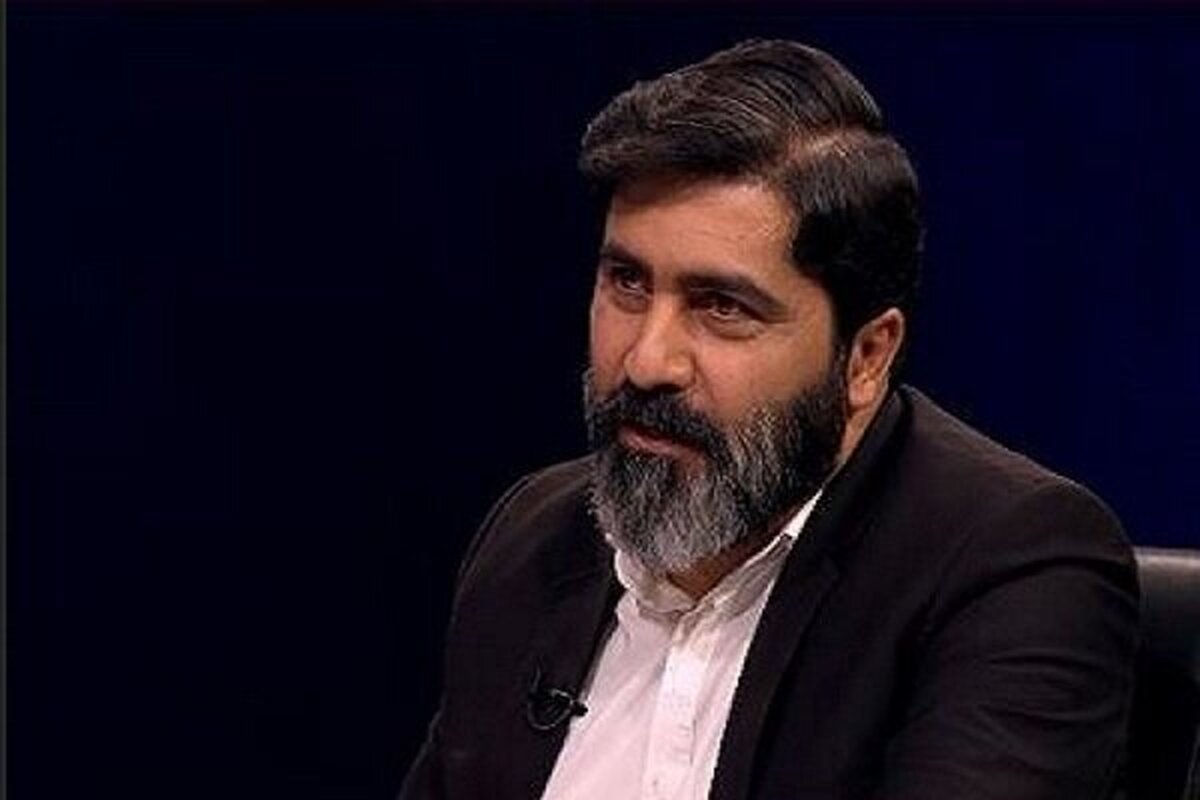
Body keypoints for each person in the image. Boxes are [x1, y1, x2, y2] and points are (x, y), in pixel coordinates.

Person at [399, 39, 1138, 800]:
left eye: (721, 306)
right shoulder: (532, 541)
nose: (648, 361)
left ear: (866, 357)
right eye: (627, 282)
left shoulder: (1011, 571)